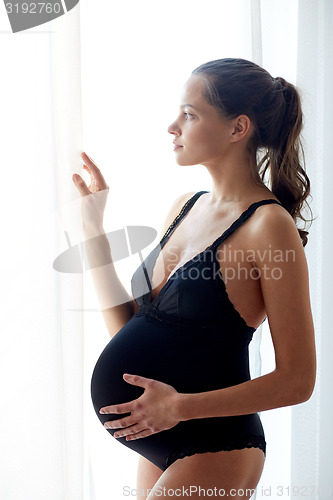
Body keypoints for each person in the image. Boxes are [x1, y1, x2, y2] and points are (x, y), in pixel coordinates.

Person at [72, 58, 316, 500]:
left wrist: (179, 407)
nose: (172, 127)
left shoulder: (268, 226)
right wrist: (93, 229)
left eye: (189, 114)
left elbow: (298, 379)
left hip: (215, 443)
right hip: (156, 439)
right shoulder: (186, 205)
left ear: (237, 128)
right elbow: (131, 331)